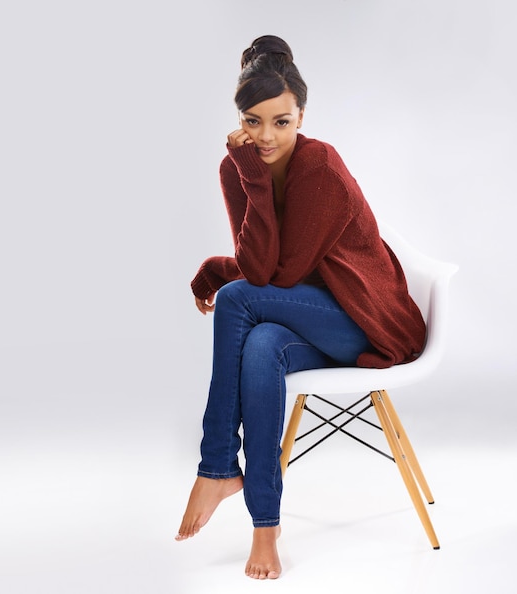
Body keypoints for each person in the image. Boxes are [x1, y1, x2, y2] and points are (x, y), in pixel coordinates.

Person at [174, 35, 426, 580]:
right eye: (254, 121)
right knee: (262, 344)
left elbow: (269, 277)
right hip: (302, 320)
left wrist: (218, 272)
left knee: (239, 296)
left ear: (301, 116)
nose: (266, 137)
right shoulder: (238, 168)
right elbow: (262, 261)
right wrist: (251, 179)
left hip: (363, 320)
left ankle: (217, 462)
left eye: (281, 122)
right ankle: (266, 524)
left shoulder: (321, 167)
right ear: (239, 118)